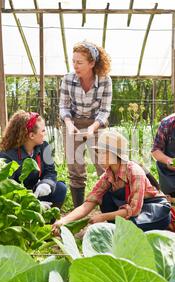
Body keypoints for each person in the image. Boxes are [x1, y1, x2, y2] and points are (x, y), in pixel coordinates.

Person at [52, 131, 171, 236]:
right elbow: (88, 204)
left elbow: (134, 210)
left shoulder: (135, 172)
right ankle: (116, 231)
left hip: (153, 213)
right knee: (105, 198)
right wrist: (64, 221)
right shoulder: (107, 175)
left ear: (116, 154)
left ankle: (114, 232)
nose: (100, 157)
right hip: (132, 214)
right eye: (99, 153)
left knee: (130, 227)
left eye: (104, 153)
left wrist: (103, 217)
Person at [59, 40, 112, 208]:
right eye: (73, 61)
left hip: (96, 125)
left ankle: (107, 211)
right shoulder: (68, 79)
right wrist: (68, 123)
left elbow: (105, 110)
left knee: (104, 168)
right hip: (72, 123)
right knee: (75, 169)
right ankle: (78, 214)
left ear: (92, 63)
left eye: (79, 62)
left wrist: (92, 128)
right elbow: (64, 106)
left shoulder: (105, 80)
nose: (75, 65)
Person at [0, 111, 66, 209]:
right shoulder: (6, 155)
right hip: (15, 200)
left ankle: (49, 222)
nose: (45, 134)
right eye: (43, 131)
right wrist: (28, 203)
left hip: (35, 193)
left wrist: (46, 183)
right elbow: (6, 187)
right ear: (31, 135)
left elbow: (50, 171)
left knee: (60, 188)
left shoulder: (44, 147)